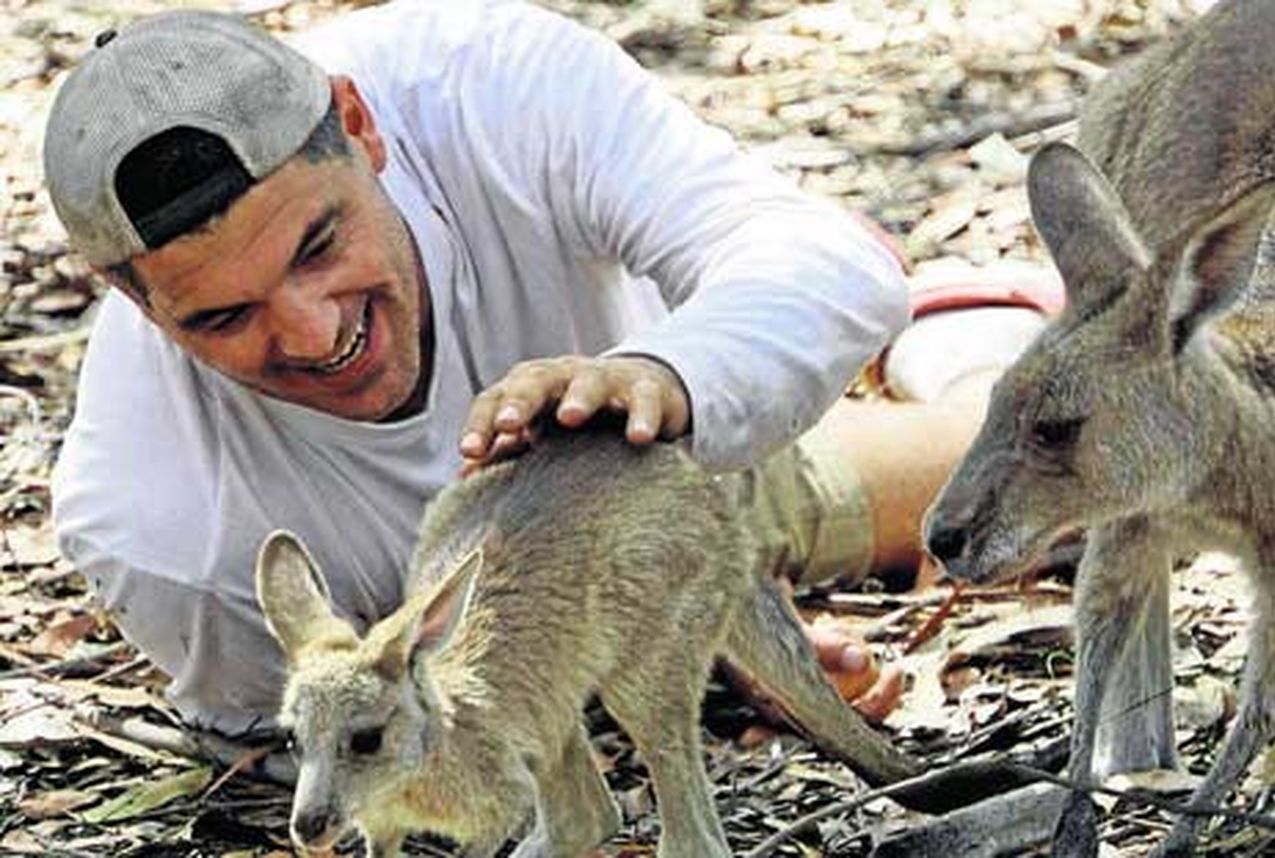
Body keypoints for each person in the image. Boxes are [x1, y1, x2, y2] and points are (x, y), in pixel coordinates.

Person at [44, 1, 1052, 738]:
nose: (311, 335)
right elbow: (367, 743)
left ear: (360, 125)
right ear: (129, 300)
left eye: (318, 247)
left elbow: (828, 265)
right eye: (225, 316)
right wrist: (684, 654)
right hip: (552, 593)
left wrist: (665, 375)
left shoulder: (481, 80)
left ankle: (957, 324)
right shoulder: (163, 534)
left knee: (1004, 464)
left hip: (648, 449)